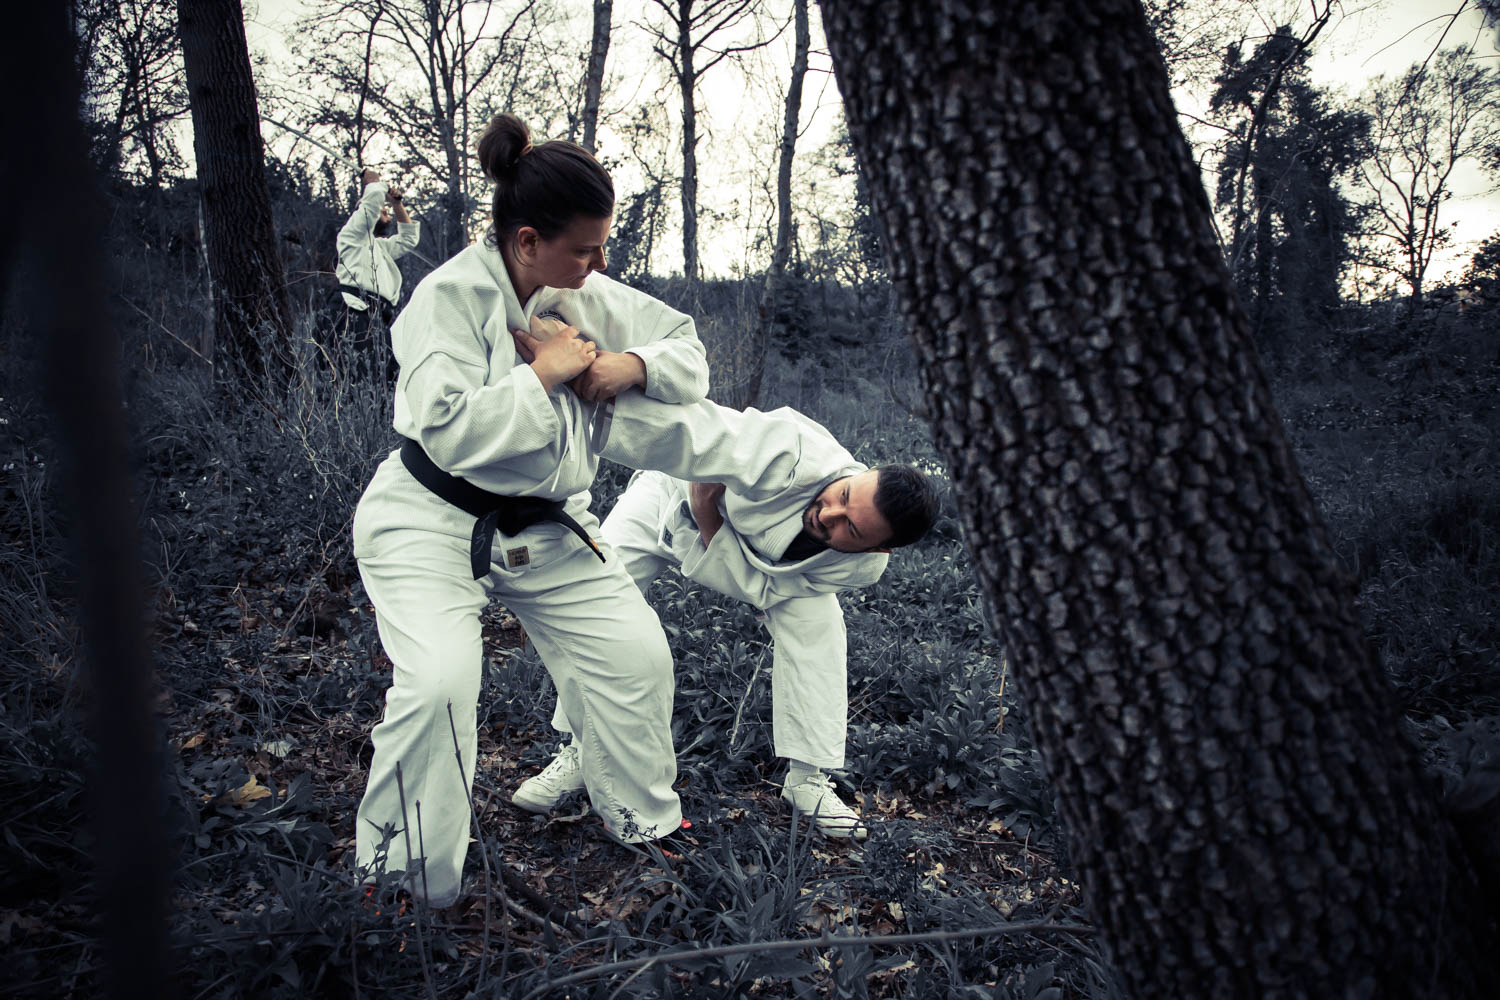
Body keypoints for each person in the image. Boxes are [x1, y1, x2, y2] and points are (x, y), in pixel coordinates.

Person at [351, 114, 711, 909]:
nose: (598, 262)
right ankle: (403, 886)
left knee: (636, 658)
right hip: (428, 518)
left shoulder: (581, 287)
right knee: (441, 685)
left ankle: (641, 820)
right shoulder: (443, 300)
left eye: (600, 246)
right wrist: (543, 374)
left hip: (547, 523)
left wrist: (631, 362)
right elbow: (446, 428)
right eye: (583, 248)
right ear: (524, 239)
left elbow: (686, 346)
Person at [511, 395, 940, 840]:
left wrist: (710, 523)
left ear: (877, 549)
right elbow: (691, 430)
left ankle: (807, 779)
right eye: (844, 495)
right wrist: (585, 404)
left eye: (849, 528)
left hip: (726, 539)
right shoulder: (788, 449)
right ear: (862, 472)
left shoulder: (861, 567)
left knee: (820, 627)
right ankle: (582, 749)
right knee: (595, 600)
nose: (827, 514)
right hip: (671, 502)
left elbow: (768, 591)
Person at [331, 167, 419, 378]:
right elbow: (370, 209)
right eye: (383, 209)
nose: (385, 212)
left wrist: (397, 205)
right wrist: (373, 183)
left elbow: (408, 240)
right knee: (360, 377)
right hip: (353, 312)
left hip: (378, 316)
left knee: (387, 378)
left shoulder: (380, 247)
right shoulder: (350, 236)